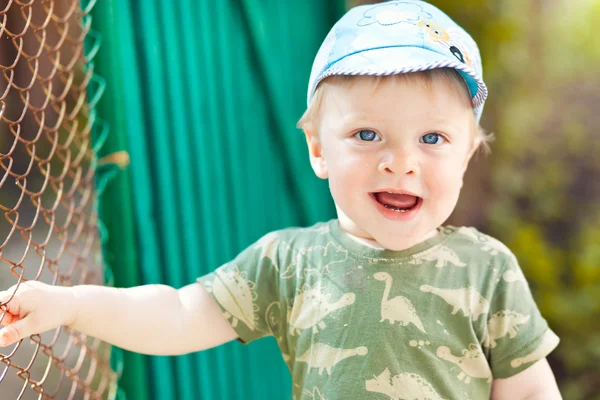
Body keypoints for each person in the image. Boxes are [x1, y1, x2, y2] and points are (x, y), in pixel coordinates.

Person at [0, 1, 562, 399]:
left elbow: (531, 389)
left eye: (433, 139)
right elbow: (177, 313)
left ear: (467, 155)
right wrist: (71, 305)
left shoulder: (487, 270)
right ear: (318, 149)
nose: (401, 161)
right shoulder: (287, 261)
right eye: (367, 135)